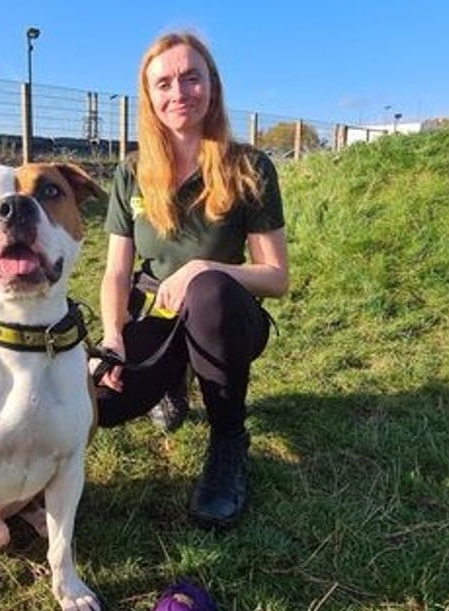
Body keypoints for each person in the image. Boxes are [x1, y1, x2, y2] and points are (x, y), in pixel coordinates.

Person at [94, 31, 290, 529]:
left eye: (190, 77)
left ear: (212, 86)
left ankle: (227, 441)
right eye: (163, 82)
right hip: (157, 316)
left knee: (207, 291)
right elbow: (117, 270)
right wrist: (113, 338)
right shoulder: (131, 173)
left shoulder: (250, 167)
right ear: (150, 96)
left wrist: (206, 267)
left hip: (225, 315)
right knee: (103, 403)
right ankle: (171, 383)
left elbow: (275, 277)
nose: (178, 91)